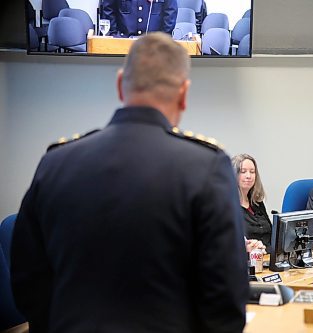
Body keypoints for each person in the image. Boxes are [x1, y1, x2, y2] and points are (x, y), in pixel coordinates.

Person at [10, 32, 248, 333]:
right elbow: (226, 301)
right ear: (184, 93)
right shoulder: (206, 166)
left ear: (120, 84)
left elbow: (27, 283)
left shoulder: (56, 162)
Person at [232, 154, 273, 253]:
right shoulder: (227, 205)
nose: (248, 176)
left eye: (252, 172)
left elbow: (270, 236)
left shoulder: (257, 202)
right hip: (245, 261)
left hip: (267, 258)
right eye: (243, 172)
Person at [101, 0, 178, 37]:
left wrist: (162, 39)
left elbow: (170, 12)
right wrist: (114, 34)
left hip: (154, 45)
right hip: (122, 41)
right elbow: (108, 9)